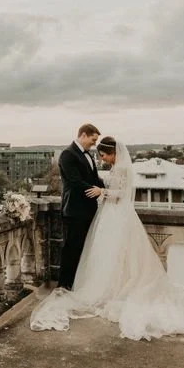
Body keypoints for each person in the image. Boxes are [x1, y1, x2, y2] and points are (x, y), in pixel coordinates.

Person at [31, 136, 184, 341]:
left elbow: (122, 193)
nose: (103, 159)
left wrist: (102, 191)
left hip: (118, 215)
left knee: (118, 252)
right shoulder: (115, 168)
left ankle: (115, 290)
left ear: (113, 153)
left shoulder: (122, 169)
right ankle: (111, 287)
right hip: (109, 214)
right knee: (107, 254)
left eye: (104, 155)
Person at [56, 123, 105, 290]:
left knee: (84, 249)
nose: (94, 144)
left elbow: (94, 178)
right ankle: (64, 285)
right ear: (83, 135)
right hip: (74, 210)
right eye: (93, 140)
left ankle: (78, 284)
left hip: (89, 210)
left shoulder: (89, 156)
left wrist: (104, 188)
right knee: (71, 249)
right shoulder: (67, 155)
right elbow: (74, 181)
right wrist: (96, 191)